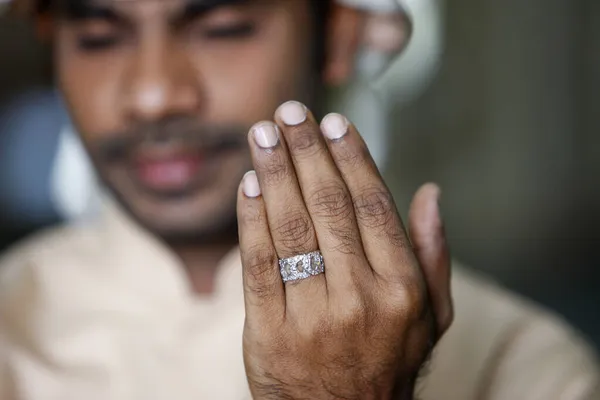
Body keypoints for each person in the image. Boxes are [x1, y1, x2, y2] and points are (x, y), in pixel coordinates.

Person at [0, 0, 597, 399]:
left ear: (337, 34)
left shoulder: (520, 363)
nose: (154, 94)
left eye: (222, 28)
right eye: (98, 38)